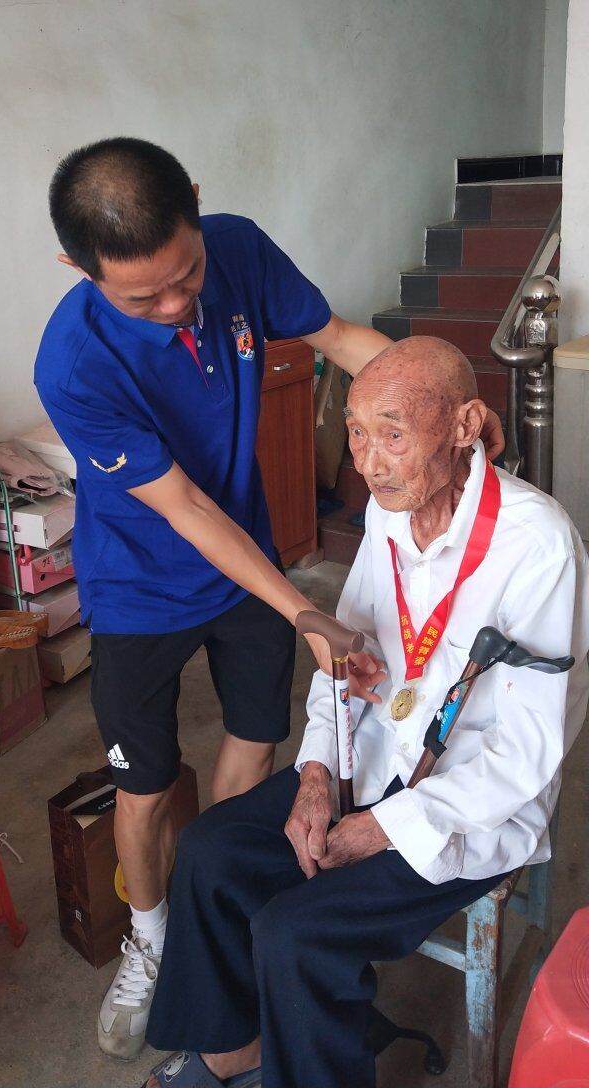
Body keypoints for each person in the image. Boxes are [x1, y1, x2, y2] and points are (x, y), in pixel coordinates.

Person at [36, 139, 506, 1057]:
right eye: (143, 298)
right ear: (78, 268)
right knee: (142, 786)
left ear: (195, 204)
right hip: (140, 585)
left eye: (187, 276)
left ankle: (217, 923)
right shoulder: (73, 363)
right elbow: (185, 508)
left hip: (245, 558)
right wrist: (300, 605)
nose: (177, 305)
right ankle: (153, 942)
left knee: (253, 747)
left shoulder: (240, 248)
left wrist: (444, 403)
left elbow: (345, 342)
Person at [142, 335, 589, 1088]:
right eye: (355, 433)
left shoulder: (538, 545)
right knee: (210, 851)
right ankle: (234, 1051)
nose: (368, 463)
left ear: (464, 425)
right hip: (373, 758)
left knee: (296, 933)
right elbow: (341, 658)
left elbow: (526, 754)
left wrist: (384, 827)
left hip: (468, 804)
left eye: (392, 434)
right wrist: (316, 772)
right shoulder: (389, 512)